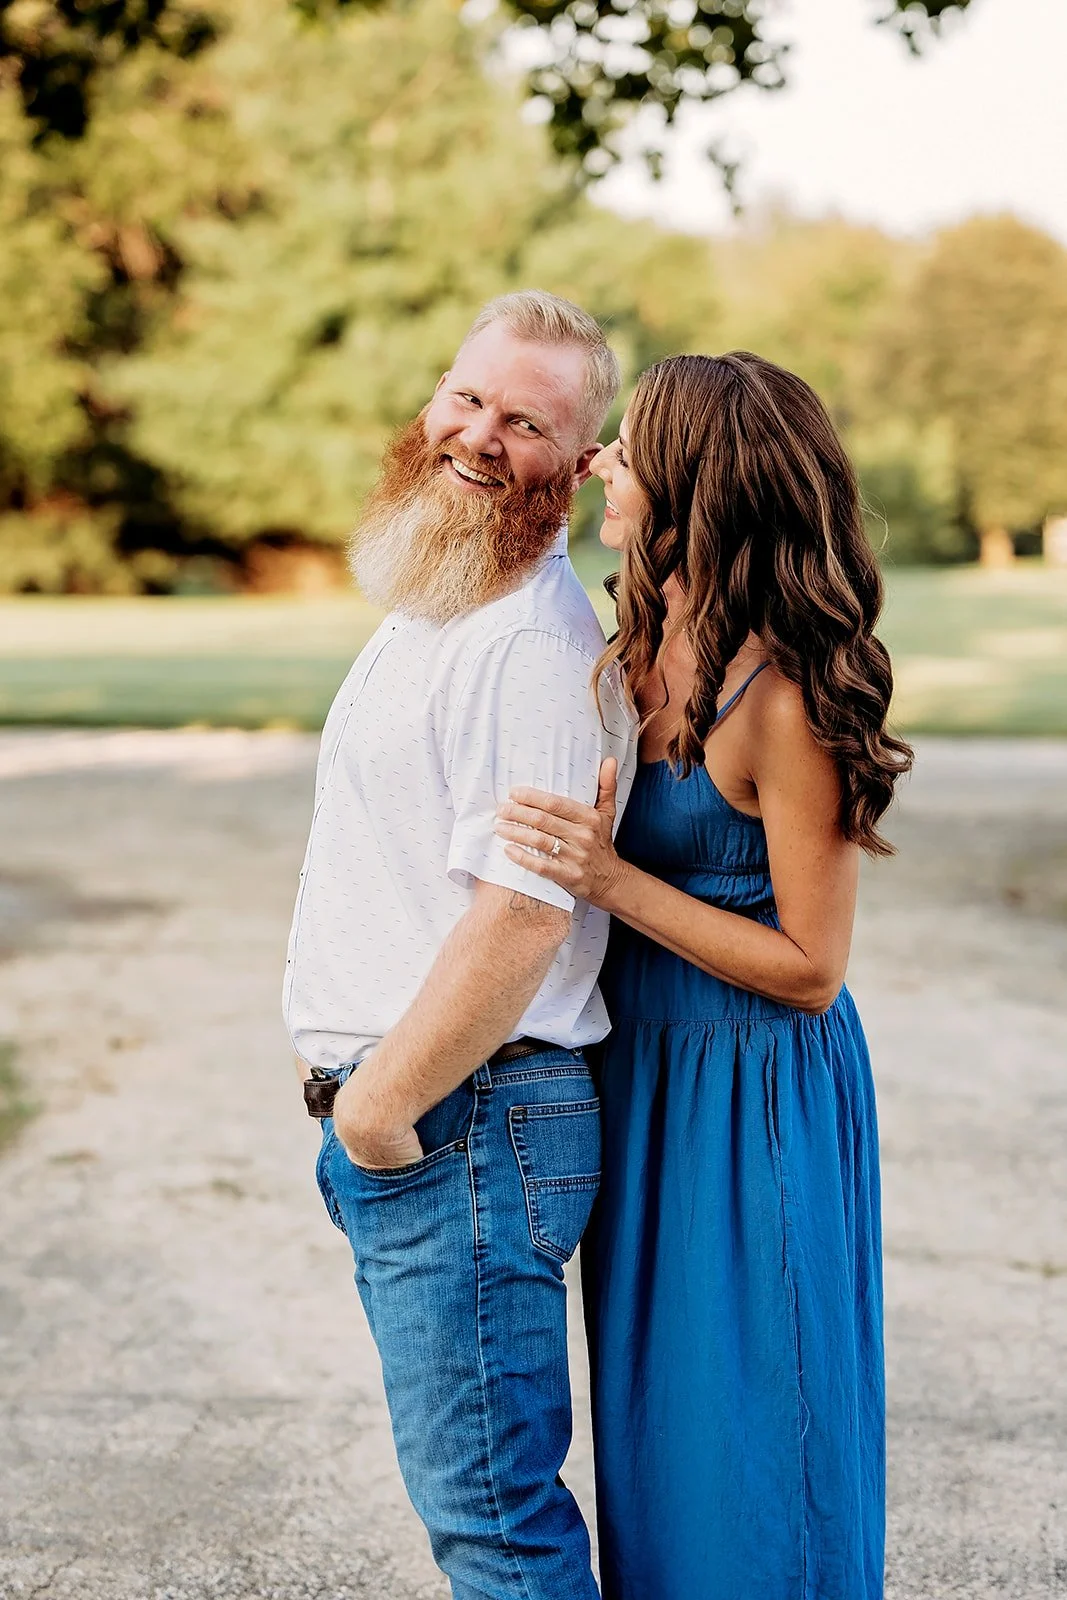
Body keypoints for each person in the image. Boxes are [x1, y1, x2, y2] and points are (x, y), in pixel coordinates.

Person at [494, 352, 914, 1600]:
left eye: (626, 450)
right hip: (641, 1077)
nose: (601, 465)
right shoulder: (634, 644)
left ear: (694, 488)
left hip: (754, 1092)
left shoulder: (783, 696)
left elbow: (810, 967)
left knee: (758, 1430)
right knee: (657, 1427)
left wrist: (610, 880)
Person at [284, 290, 636, 1599]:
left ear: (577, 461)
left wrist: (378, 1110)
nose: (479, 435)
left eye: (525, 423)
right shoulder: (437, 593)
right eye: (466, 396)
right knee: (479, 1511)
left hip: (462, 1123)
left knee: (495, 1525)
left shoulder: (528, 648)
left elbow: (524, 911)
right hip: (438, 1121)